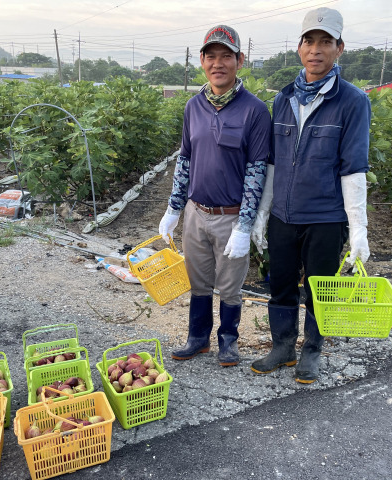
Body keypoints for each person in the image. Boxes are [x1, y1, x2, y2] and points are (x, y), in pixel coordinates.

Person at [250, 7, 371, 383]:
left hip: (325, 217)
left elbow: (353, 168)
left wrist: (359, 230)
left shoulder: (352, 101)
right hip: (284, 216)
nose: (316, 50)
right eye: (309, 41)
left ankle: (312, 351)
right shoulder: (284, 99)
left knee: (320, 288)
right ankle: (283, 346)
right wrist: (261, 213)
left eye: (325, 42)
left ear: (339, 48)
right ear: (299, 48)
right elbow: (271, 163)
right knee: (281, 282)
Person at [158, 25, 271, 367]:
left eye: (226, 56)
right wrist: (174, 208)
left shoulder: (254, 110)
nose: (218, 63)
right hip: (196, 212)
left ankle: (228, 341)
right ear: (202, 62)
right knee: (199, 281)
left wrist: (245, 225)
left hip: (231, 215)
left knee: (231, 285)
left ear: (240, 60)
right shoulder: (194, 106)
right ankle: (197, 339)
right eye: (211, 56)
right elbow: (186, 158)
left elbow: (257, 169)